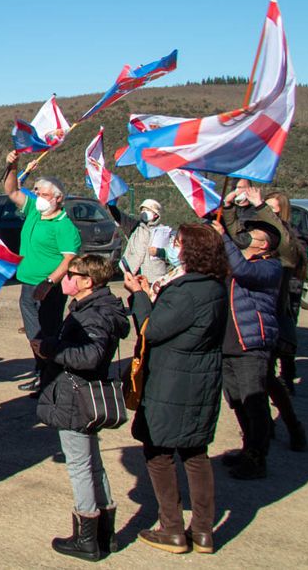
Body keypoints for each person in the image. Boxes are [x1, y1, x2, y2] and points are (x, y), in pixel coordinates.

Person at [124, 223, 228, 555]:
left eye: (179, 243)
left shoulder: (188, 289)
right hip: (201, 379)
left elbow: (152, 331)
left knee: (158, 452)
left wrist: (139, 297)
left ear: (192, 251)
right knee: (196, 455)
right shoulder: (213, 286)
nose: (174, 247)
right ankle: (202, 531)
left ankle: (171, 528)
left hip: (173, 380)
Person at [35, 255, 129, 561]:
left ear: (87, 282)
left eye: (71, 275)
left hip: (77, 397)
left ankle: (86, 537)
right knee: (93, 463)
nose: (66, 278)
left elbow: (90, 356)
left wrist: (53, 349)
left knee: (79, 465)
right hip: (83, 395)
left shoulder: (93, 315)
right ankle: (105, 534)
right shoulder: (94, 308)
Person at [213, 194, 284, 479]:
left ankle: (258, 457)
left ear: (263, 244)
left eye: (250, 236)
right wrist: (223, 214)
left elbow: (243, 272)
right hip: (230, 341)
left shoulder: (269, 266)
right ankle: (247, 448)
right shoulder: (239, 260)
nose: (244, 239)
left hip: (251, 342)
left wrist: (226, 240)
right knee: (237, 399)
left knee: (254, 401)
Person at [3, 151, 82, 396]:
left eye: (43, 194)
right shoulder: (35, 213)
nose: (37, 197)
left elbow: (68, 259)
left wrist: (49, 282)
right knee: (33, 334)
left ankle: (51, 379)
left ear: (58, 199)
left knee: (48, 334)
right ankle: (41, 372)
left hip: (48, 288)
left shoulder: (64, 226)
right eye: (36, 192)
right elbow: (12, 191)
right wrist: (13, 167)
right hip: (27, 284)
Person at [263, 189, 307, 400]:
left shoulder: (292, 235)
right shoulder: (264, 231)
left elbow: (295, 259)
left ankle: (287, 378)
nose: (268, 213)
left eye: (272, 209)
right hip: (271, 294)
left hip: (286, 293)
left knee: (285, 339)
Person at [122, 199, 170, 284]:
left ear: (156, 215)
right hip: (135, 276)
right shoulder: (136, 227)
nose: (144, 212)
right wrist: (112, 206)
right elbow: (120, 217)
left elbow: (173, 252)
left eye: (148, 210)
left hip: (155, 277)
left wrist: (160, 252)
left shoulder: (164, 232)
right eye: (143, 210)